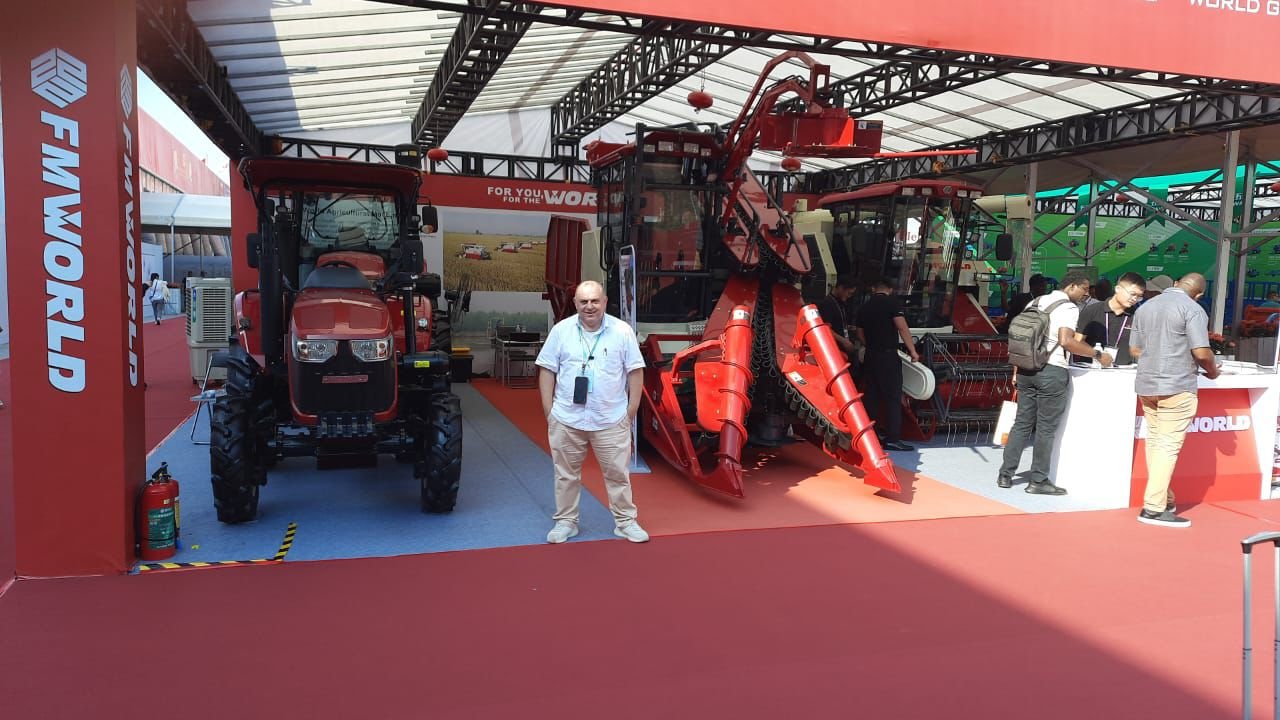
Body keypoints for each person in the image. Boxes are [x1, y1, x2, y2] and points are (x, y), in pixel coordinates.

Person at [536, 280, 650, 544]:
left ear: (605, 302)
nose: (589, 306)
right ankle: (566, 522)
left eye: (595, 301)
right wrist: (549, 412)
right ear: (575, 303)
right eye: (584, 301)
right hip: (567, 418)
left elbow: (635, 372)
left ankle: (625, 522)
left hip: (610, 418)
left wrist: (630, 412)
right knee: (565, 475)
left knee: (618, 475)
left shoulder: (622, 331)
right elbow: (547, 370)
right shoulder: (561, 331)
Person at [997, 270, 1106, 495]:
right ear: (1071, 286)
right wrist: (1096, 354)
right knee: (1045, 428)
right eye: (1084, 289)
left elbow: (1022, 340)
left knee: (1022, 423)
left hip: (1026, 368)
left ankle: (1005, 474)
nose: (1086, 294)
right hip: (1052, 370)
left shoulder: (1035, 302)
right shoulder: (1068, 308)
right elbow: (1066, 341)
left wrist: (1016, 370)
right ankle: (1038, 480)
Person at [1128, 272, 1219, 528]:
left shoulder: (1145, 308)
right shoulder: (1193, 309)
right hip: (1177, 385)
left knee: (1156, 444)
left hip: (1147, 384)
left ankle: (1164, 500)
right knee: (1167, 446)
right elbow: (1202, 352)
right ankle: (1153, 508)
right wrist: (1213, 371)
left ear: (1176, 284)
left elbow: (1134, 349)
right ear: (1199, 294)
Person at [855, 276, 920, 452]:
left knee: (872, 396)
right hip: (888, 356)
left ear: (874, 288)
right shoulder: (892, 304)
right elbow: (902, 327)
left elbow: (859, 333)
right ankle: (892, 438)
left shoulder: (864, 307)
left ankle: (871, 436)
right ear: (890, 289)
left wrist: (871, 345)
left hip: (871, 356)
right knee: (892, 397)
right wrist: (912, 351)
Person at [1072, 272, 1146, 366]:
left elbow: (1138, 347)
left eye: (1139, 296)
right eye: (1132, 294)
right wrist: (1098, 355)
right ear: (1118, 289)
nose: (1134, 299)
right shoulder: (1092, 310)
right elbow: (1077, 341)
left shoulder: (1137, 316)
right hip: (1091, 368)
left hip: (1123, 369)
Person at [817, 275, 859, 371]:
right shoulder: (827, 304)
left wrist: (848, 327)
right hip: (835, 349)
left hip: (843, 347)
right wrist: (844, 341)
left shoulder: (841, 303)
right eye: (849, 293)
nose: (849, 296)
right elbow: (825, 328)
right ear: (841, 288)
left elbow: (837, 323)